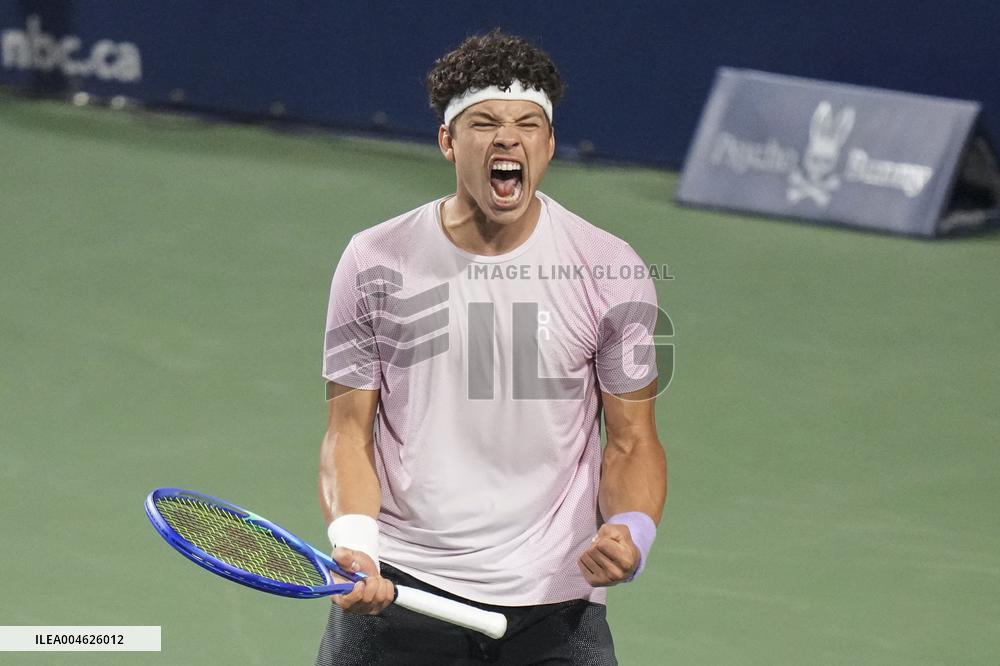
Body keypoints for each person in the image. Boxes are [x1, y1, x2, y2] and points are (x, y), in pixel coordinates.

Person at [316, 30, 666, 665]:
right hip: (402, 589)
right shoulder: (374, 260)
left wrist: (631, 529)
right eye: (484, 123)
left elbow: (634, 439)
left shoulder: (611, 268)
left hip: (556, 607)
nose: (508, 139)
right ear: (448, 141)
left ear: (549, 144)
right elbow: (347, 431)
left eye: (528, 124)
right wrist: (356, 540)